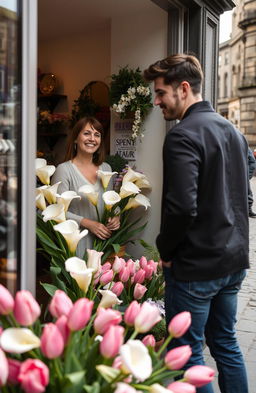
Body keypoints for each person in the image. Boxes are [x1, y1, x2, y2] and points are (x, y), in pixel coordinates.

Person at [144, 54, 249, 393]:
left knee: (187, 354)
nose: (157, 101)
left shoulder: (182, 136)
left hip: (195, 268)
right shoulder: (233, 132)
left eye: (160, 93)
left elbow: (182, 208)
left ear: (184, 88)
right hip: (233, 263)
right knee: (227, 345)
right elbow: (245, 198)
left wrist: (166, 251)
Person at [51, 116, 120, 258]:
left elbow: (112, 203)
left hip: (102, 244)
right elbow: (57, 211)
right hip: (75, 244)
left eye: (97, 135)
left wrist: (116, 217)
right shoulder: (64, 170)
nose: (92, 139)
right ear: (76, 138)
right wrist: (88, 223)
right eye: (87, 133)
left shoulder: (106, 168)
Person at [248, 148, 256, 217]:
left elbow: (252, 162)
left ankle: (248, 210)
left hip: (242, 175)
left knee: (248, 193)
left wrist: (247, 176)